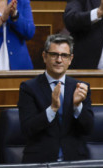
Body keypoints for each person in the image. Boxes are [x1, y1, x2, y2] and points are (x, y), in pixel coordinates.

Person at [17, 34, 93, 162]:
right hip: (40, 161)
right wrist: (52, 109)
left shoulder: (80, 87)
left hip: (74, 161)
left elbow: (88, 128)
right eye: (54, 55)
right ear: (44, 57)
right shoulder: (29, 88)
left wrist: (77, 106)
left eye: (64, 55)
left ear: (70, 59)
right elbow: (27, 129)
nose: (59, 60)